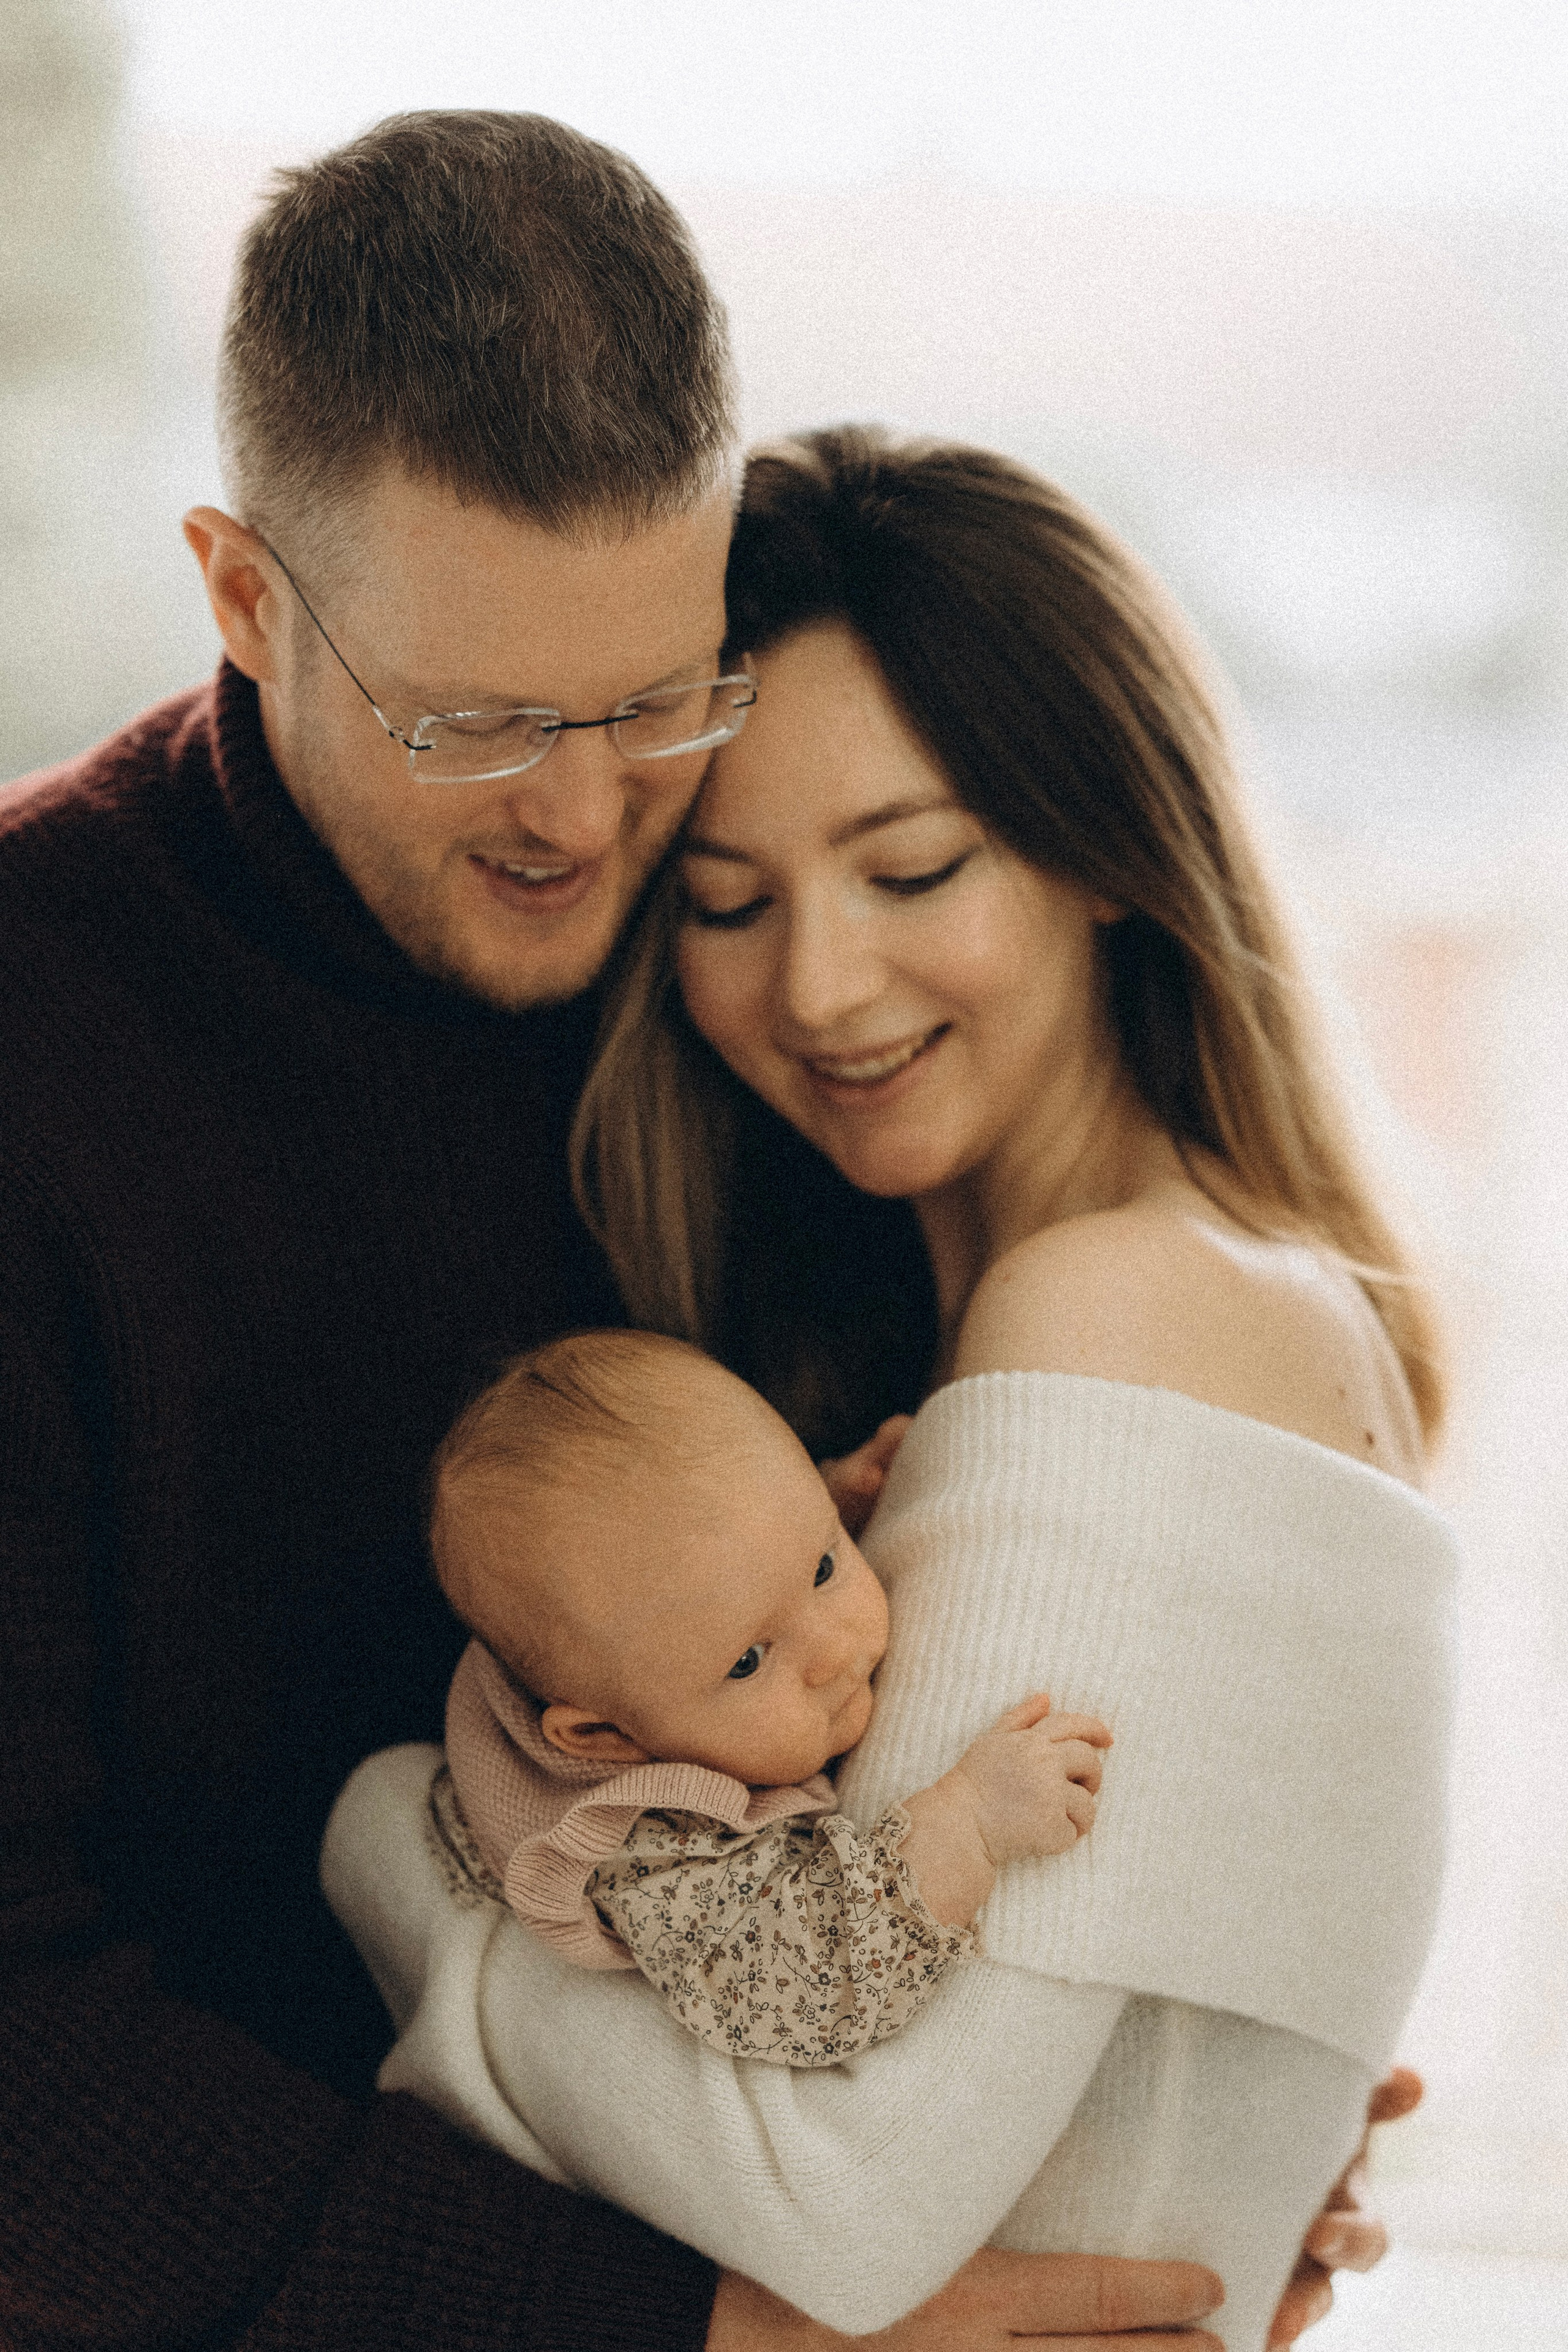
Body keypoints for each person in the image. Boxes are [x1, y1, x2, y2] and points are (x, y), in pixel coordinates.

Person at [0, 105, 1393, 2350]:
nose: (577, 818)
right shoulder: (44, 1056)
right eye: (471, 725)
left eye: (651, 698)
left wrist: (1172, 2115)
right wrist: (709, 2333)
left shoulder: (727, 1001)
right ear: (245, 597)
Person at [322, 429, 1455, 2352]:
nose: (821, 986)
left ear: (1106, 849)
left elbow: (833, 2200)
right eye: (726, 899)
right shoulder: (1107, 1325)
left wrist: (408, 1879)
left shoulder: (1114, 1306)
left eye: (910, 864)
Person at [427, 1328, 1109, 2062]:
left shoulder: (675, 1624)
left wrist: (839, 1497)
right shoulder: (649, 1850)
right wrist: (968, 1821)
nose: (832, 1653)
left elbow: (722, 1560)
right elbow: (806, 1985)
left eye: (821, 1568)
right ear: (605, 1738)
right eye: (749, 1661)